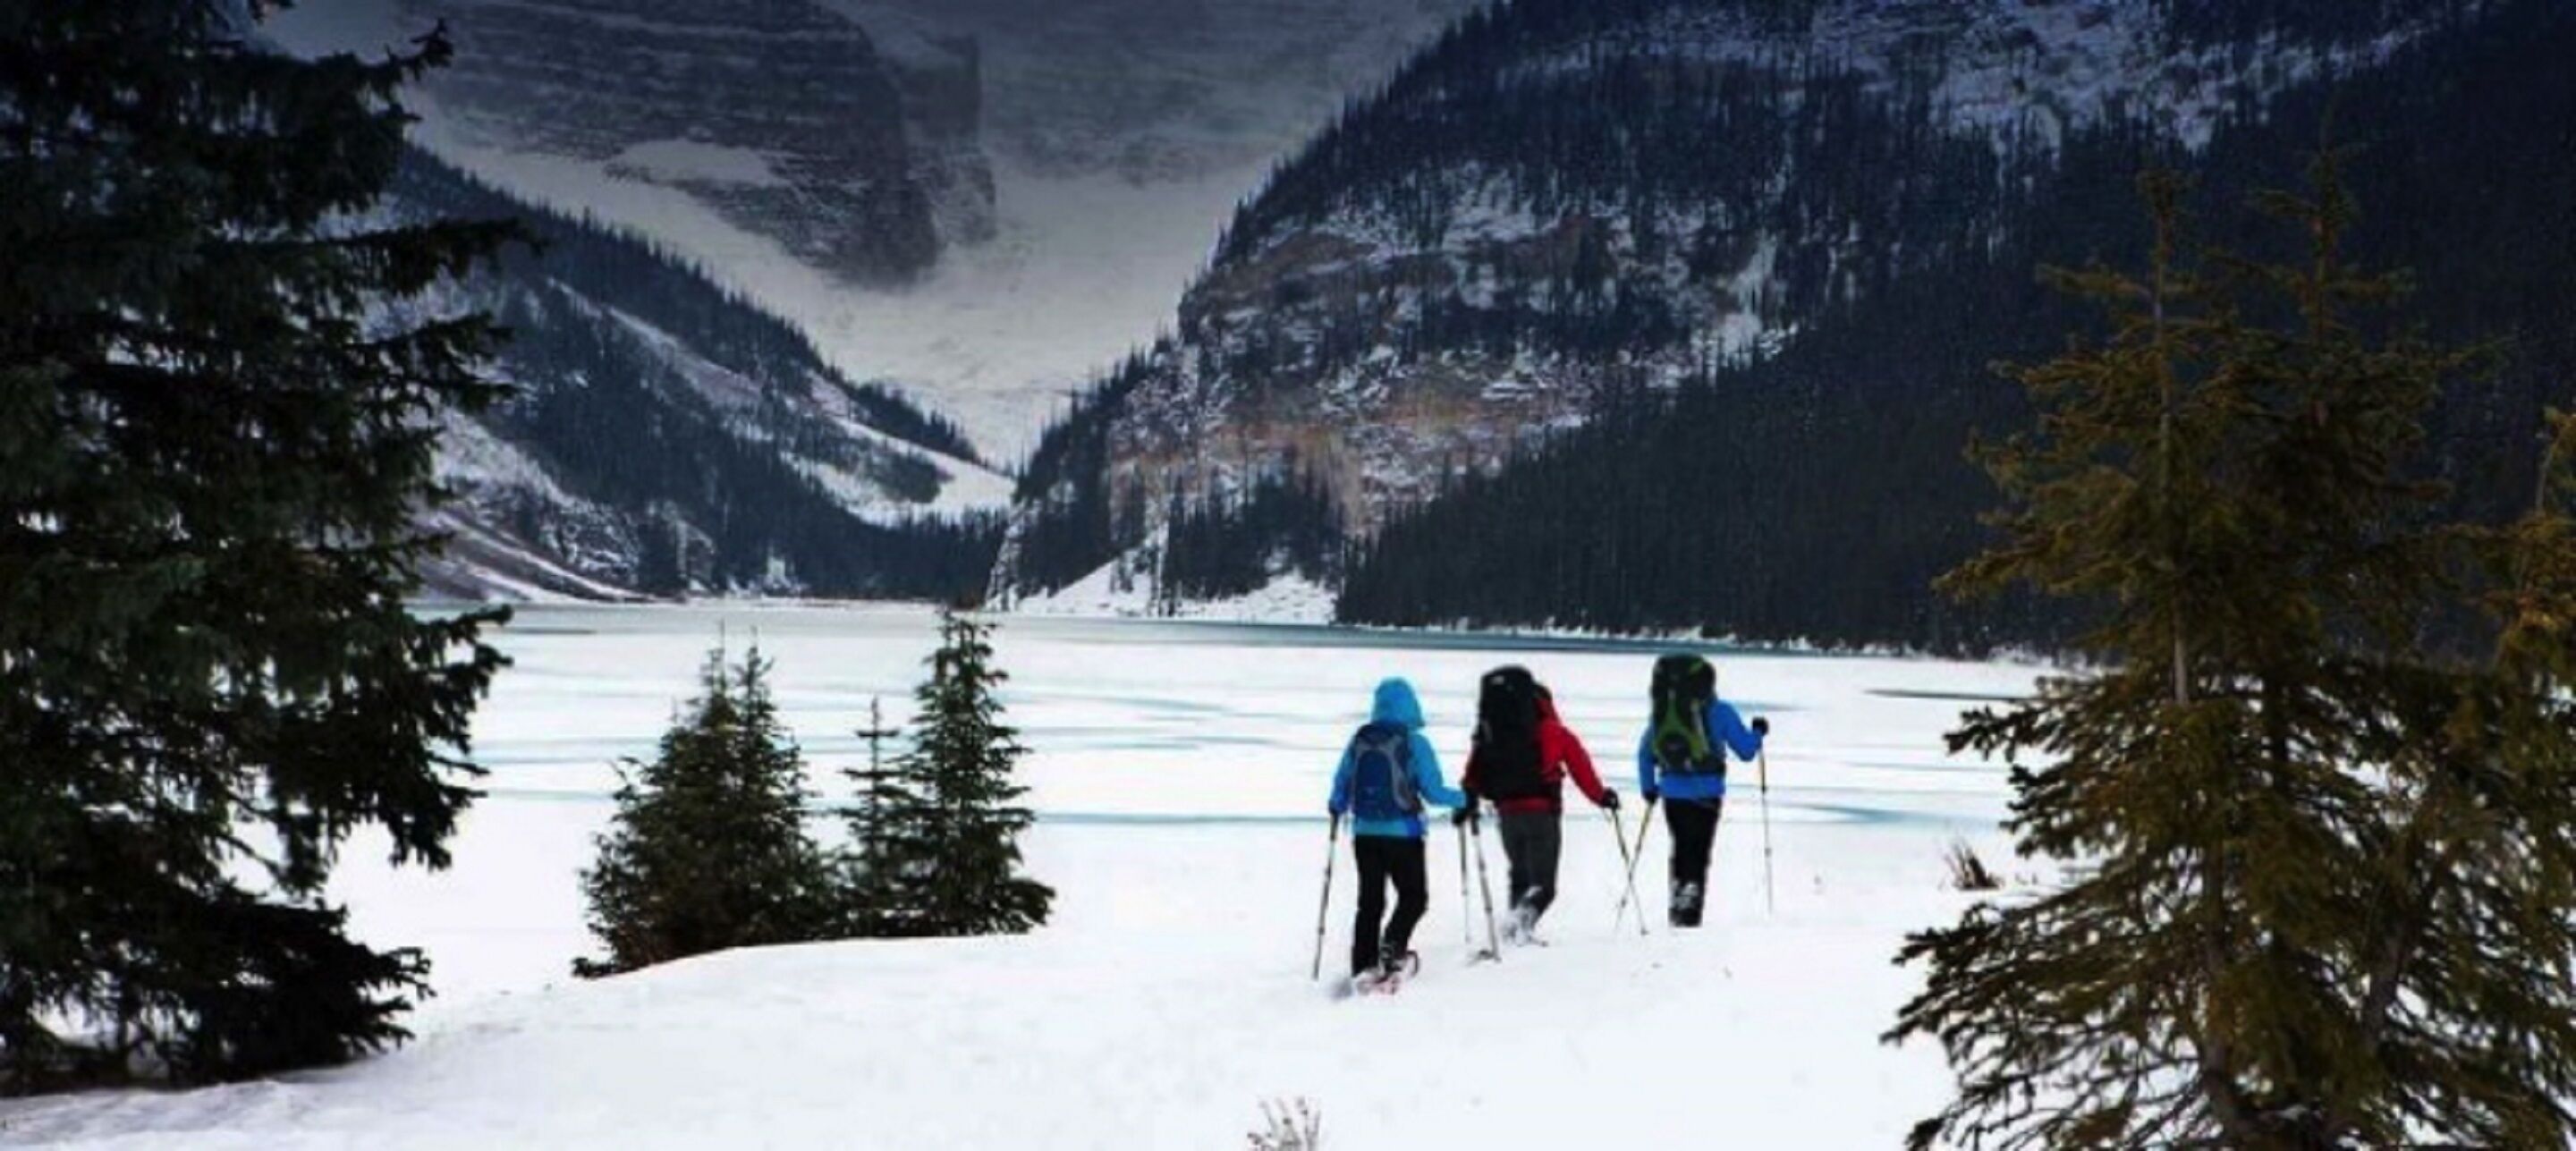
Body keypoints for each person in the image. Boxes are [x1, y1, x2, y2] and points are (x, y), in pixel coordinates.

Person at [1459, 665, 1614, 944]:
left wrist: (1468, 798)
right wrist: (1602, 797)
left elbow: (1474, 770)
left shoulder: (1491, 731)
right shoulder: (1553, 731)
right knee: (1544, 885)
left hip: (1507, 813)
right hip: (1541, 813)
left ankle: (1515, 931)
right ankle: (1520, 924)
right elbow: (1581, 769)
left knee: (1519, 875)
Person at [1326, 677, 1467, 986]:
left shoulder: (1360, 739)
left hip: (1364, 833)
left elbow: (1342, 782)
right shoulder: (1414, 742)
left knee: (1370, 902)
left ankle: (1363, 964)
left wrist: (1336, 806)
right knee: (1414, 897)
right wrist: (1465, 798)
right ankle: (1392, 949)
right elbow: (1433, 791)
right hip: (1403, 834)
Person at [1636, 654, 1767, 927]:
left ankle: (1677, 903)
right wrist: (1757, 733)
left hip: (1671, 793)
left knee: (1681, 847)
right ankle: (1690, 910)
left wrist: (1649, 788)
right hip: (1707, 792)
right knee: (1698, 850)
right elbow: (1745, 751)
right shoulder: (1720, 711)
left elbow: (1645, 753)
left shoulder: (1664, 712)